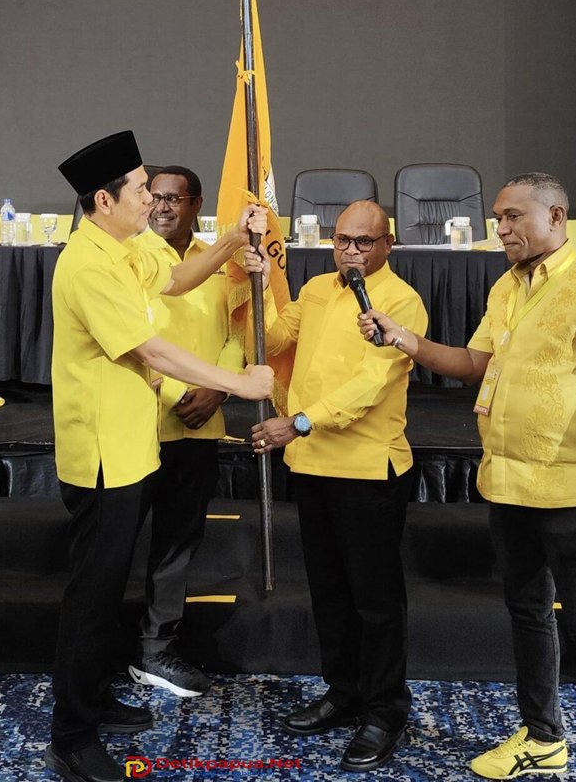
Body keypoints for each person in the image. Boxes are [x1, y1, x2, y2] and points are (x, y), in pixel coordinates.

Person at [361, 173, 576, 782]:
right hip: (507, 487)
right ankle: (543, 739)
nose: (502, 229)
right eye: (498, 218)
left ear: (557, 216)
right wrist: (402, 338)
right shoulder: (505, 287)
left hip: (571, 491)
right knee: (528, 614)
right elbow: (471, 364)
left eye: (514, 216)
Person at [45, 131, 273, 782]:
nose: (153, 200)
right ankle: (71, 736)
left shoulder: (127, 245)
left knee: (107, 588)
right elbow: (149, 348)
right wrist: (239, 384)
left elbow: (174, 279)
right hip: (102, 455)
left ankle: (93, 697)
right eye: (143, 190)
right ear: (104, 199)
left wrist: (231, 239)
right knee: (92, 597)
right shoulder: (87, 264)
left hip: (132, 445)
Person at [249, 201, 428, 773]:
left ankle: (385, 710)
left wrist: (299, 421)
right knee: (329, 592)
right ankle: (344, 690)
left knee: (375, 601)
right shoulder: (317, 289)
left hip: (366, 468)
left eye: (363, 242)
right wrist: (257, 283)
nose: (350, 251)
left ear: (387, 244)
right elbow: (273, 337)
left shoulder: (400, 302)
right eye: (342, 240)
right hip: (312, 464)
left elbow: (371, 386)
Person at [127, 165, 243, 699]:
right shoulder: (129, 257)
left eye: (174, 198)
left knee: (177, 544)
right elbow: (131, 340)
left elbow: (239, 332)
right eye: (154, 197)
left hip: (200, 424)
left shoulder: (223, 261)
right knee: (118, 544)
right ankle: (101, 646)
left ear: (196, 204)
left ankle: (156, 649)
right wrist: (177, 394)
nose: (162, 207)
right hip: (141, 422)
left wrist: (218, 390)